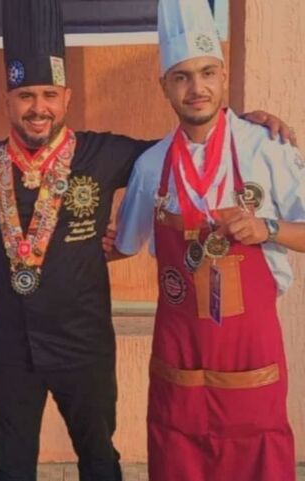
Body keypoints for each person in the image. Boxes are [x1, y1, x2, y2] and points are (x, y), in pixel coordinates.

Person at [0, 1, 296, 480]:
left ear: (66, 97)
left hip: (85, 345)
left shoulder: (107, 153)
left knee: (100, 460)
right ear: (8, 100)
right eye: (25, 96)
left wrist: (245, 123)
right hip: (11, 348)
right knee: (12, 466)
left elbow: (199, 139)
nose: (38, 108)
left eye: (49, 94)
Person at [111, 1, 303, 480]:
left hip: (251, 358)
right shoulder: (151, 166)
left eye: (207, 73)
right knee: (178, 456)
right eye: (182, 76)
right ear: (164, 85)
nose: (196, 88)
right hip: (179, 364)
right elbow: (121, 245)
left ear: (223, 76)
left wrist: (269, 229)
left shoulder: (267, 147)